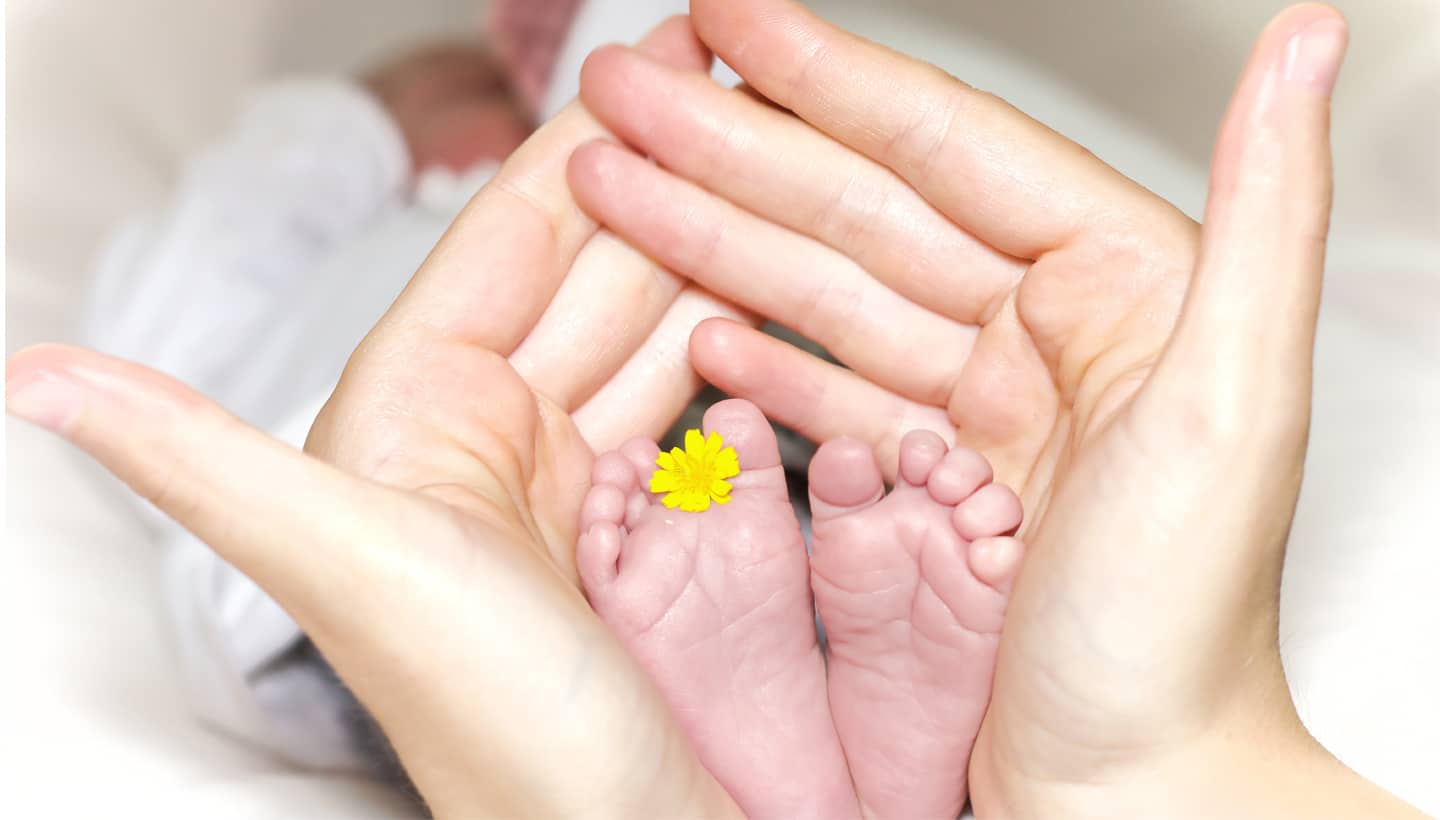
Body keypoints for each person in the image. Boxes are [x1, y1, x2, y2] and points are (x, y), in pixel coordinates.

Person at [5, 4, 1428, 820]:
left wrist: (426, 103)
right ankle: (806, 697)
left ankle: (803, 716)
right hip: (409, 483)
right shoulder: (347, 230)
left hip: (681, 470)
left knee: (797, 494)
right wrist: (360, 116)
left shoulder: (646, 204)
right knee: (632, 513)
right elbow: (188, 276)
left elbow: (675, 92)